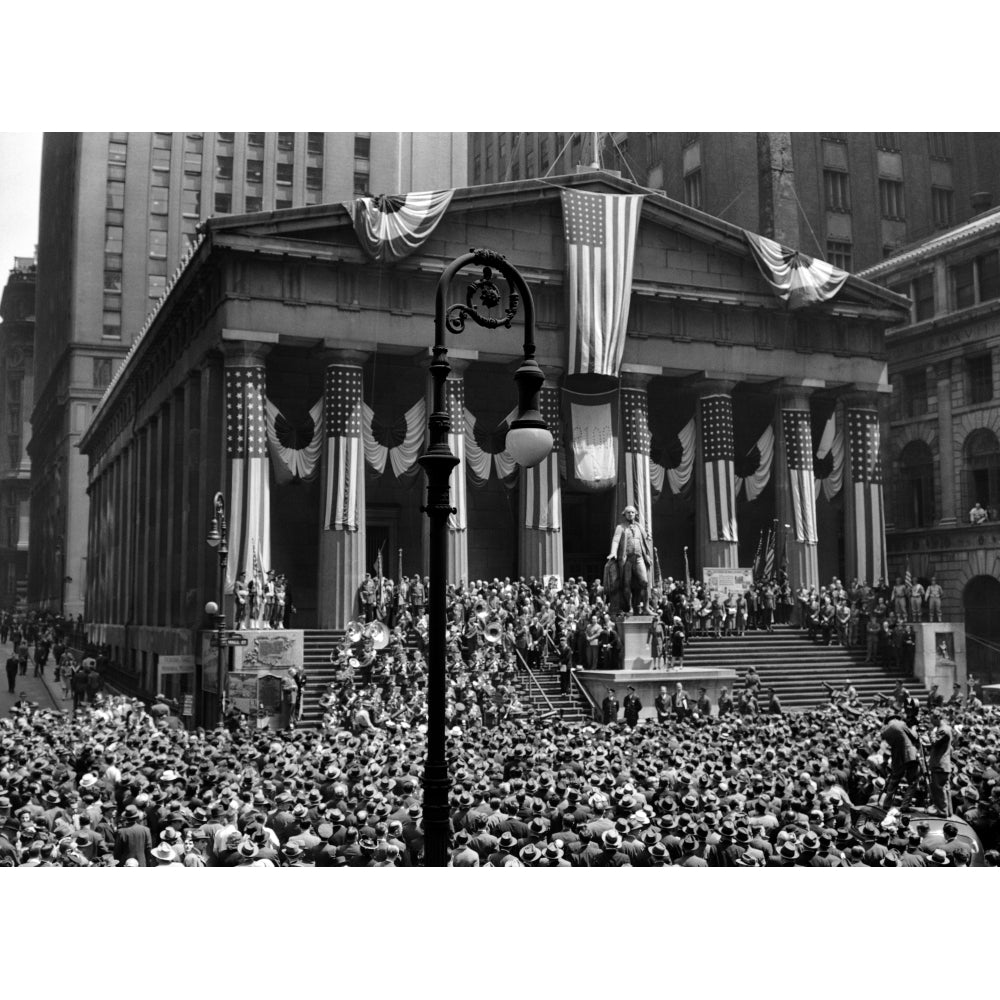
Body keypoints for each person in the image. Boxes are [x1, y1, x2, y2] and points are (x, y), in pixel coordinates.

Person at [605, 505, 653, 616]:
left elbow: (645, 541)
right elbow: (616, 540)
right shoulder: (620, 527)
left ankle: (646, 607)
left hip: (639, 558)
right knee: (627, 584)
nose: (630, 514)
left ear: (635, 514)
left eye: (632, 512)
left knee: (644, 582)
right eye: (628, 513)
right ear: (624, 514)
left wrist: (648, 555)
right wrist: (613, 552)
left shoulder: (639, 527)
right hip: (627, 559)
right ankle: (630, 607)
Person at [924, 711, 954, 816]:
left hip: (939, 764)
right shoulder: (947, 728)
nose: (931, 723)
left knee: (938, 789)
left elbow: (934, 743)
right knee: (945, 789)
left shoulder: (943, 730)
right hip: (943, 764)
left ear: (937, 718)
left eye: (932, 720)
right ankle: (948, 811)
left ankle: (942, 811)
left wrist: (931, 732)